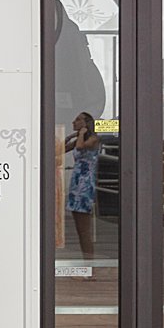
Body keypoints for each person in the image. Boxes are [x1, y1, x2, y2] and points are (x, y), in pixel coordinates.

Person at [64, 111, 100, 261]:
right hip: (76, 182)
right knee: (79, 228)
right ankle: (87, 264)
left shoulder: (93, 139)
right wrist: (69, 137)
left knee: (84, 230)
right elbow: (60, 150)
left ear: (85, 123)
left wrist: (80, 134)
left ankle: (90, 267)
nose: (73, 122)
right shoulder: (80, 138)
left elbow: (80, 147)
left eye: (77, 120)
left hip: (85, 184)